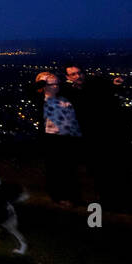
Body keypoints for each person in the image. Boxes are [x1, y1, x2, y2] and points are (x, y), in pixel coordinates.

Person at [61, 66, 132, 211]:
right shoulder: (69, 92)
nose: (78, 76)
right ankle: (107, 201)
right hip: (89, 137)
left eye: (79, 73)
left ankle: (122, 201)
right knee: (98, 171)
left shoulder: (95, 86)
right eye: (73, 74)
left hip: (108, 134)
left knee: (115, 169)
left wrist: (116, 85)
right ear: (68, 77)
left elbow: (111, 92)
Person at [36, 72, 81, 207]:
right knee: (56, 169)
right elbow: (29, 90)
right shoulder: (42, 100)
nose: (55, 86)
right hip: (52, 139)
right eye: (51, 84)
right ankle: (58, 196)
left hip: (69, 137)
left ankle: (72, 196)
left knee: (69, 168)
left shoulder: (65, 99)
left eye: (57, 84)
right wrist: (42, 83)